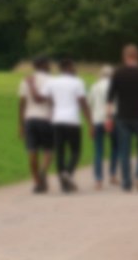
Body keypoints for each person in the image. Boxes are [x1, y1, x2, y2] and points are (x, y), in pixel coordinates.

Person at [33, 58, 92, 193]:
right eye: (74, 67)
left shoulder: (52, 82)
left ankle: (64, 185)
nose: (75, 69)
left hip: (57, 121)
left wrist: (31, 86)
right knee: (76, 151)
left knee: (60, 152)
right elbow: (83, 103)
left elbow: (40, 98)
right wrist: (90, 123)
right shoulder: (78, 82)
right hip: (73, 121)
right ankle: (68, 173)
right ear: (69, 67)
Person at [109, 44, 138, 193]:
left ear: (124, 57)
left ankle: (127, 182)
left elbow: (110, 97)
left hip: (122, 116)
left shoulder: (117, 73)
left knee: (124, 150)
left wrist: (108, 117)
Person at [18, 56, 54, 194]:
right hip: (46, 118)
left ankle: (37, 181)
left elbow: (21, 104)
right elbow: (53, 101)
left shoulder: (25, 81)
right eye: (48, 64)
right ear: (44, 65)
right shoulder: (51, 81)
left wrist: (20, 125)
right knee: (48, 150)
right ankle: (43, 171)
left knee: (32, 151)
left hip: (29, 119)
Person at [88, 65, 119, 189]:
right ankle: (112, 174)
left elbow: (90, 103)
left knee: (98, 150)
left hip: (97, 119)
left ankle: (98, 179)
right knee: (115, 147)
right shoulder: (115, 86)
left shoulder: (95, 86)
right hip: (113, 118)